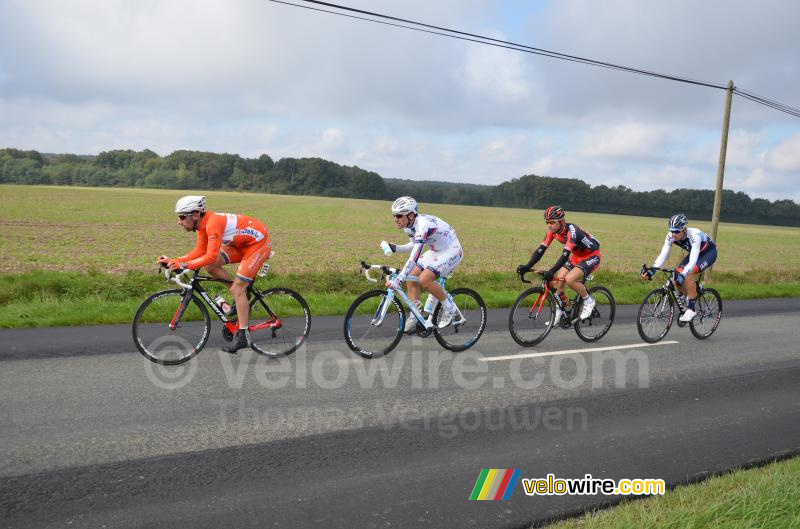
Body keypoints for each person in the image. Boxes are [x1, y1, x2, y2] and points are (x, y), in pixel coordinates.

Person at [157, 195, 273, 352]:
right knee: (211, 267)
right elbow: (199, 252)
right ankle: (241, 294)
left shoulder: (212, 224)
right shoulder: (202, 225)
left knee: (237, 289)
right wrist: (174, 260)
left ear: (196, 214)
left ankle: (243, 336)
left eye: (182, 217)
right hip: (242, 244)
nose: (179, 222)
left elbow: (210, 255)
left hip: (257, 244)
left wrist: (184, 265)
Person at [380, 196, 463, 331]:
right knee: (411, 278)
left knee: (424, 279)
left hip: (451, 250)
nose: (396, 219)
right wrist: (395, 247)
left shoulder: (422, 225)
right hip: (435, 250)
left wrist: (399, 278)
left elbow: (415, 256)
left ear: (411, 215)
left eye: (399, 215)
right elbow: (413, 245)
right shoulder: (408, 225)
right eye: (394, 215)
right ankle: (415, 316)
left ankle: (449, 308)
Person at [516, 205, 602, 324]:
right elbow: (541, 249)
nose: (549, 225)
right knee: (559, 282)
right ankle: (559, 312)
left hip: (592, 255)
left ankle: (588, 301)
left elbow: (565, 254)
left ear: (561, 221)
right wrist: (528, 265)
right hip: (577, 256)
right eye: (547, 222)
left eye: (552, 222)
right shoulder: (552, 231)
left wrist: (551, 271)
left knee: (570, 279)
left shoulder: (572, 231)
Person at [641, 213, 717, 322]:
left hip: (708, 254)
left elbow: (692, 262)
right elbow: (663, 255)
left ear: (684, 229)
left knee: (688, 274)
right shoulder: (670, 236)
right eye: (671, 230)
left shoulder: (694, 235)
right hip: (695, 254)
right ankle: (688, 293)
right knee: (677, 274)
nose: (673, 234)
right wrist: (652, 270)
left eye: (676, 231)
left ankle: (691, 309)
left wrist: (684, 275)